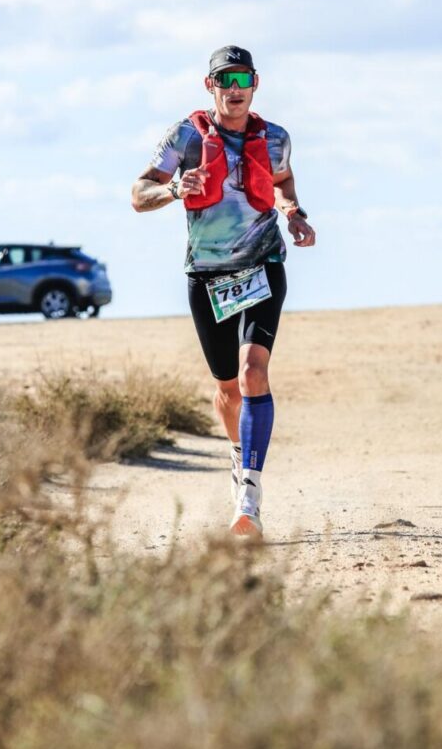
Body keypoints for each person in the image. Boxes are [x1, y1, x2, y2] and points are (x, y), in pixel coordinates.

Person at [131, 45, 315, 537]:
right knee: (227, 390)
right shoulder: (186, 136)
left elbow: (282, 180)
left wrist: (294, 213)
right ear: (209, 86)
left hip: (262, 265)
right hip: (208, 276)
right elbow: (138, 194)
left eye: (243, 80)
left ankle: (249, 494)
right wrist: (174, 190)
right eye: (225, 80)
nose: (235, 90)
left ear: (256, 84)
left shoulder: (275, 138)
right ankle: (240, 455)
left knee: (253, 371)